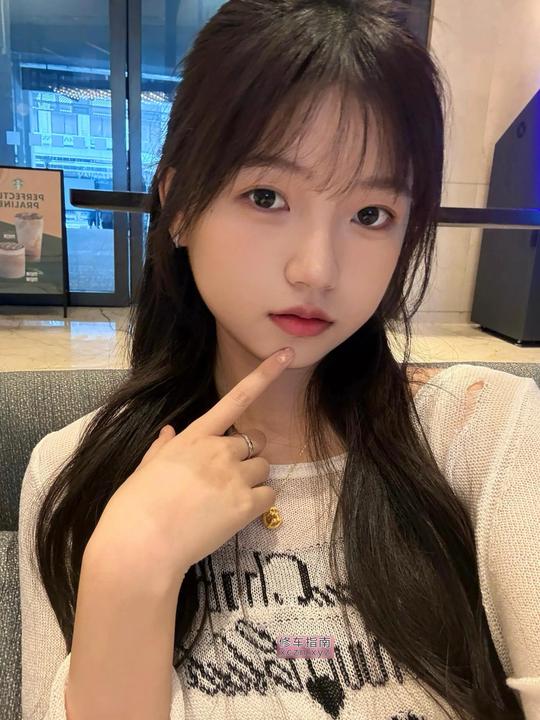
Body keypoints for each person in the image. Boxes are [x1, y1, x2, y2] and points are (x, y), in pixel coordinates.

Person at [18, 1, 539, 719]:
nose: (316, 269)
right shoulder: (75, 476)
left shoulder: (487, 433)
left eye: (371, 215)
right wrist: (132, 564)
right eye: (266, 196)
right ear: (179, 206)